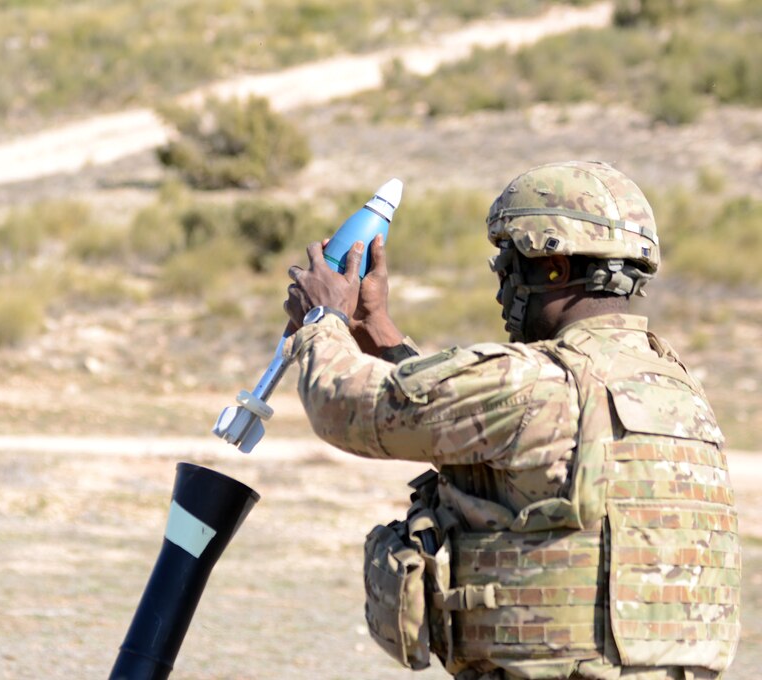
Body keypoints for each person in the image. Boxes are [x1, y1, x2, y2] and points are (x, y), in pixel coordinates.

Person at [282, 161, 740, 680]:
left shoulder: (536, 383)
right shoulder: (678, 394)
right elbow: (462, 416)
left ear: (554, 268)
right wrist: (377, 329)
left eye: (508, 260)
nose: (500, 281)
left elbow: (341, 406)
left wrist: (325, 320)